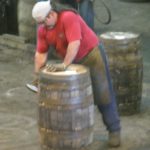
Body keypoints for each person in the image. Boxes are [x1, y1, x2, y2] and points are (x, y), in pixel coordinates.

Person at [28, 0, 121, 147]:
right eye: (41, 24)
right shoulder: (43, 28)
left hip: (91, 54)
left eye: (45, 22)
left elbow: (74, 43)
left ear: (51, 14)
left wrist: (65, 65)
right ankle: (75, 134)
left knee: (103, 93)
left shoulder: (68, 17)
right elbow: (40, 54)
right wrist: (37, 76)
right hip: (72, 60)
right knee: (72, 100)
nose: (43, 26)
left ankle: (114, 129)